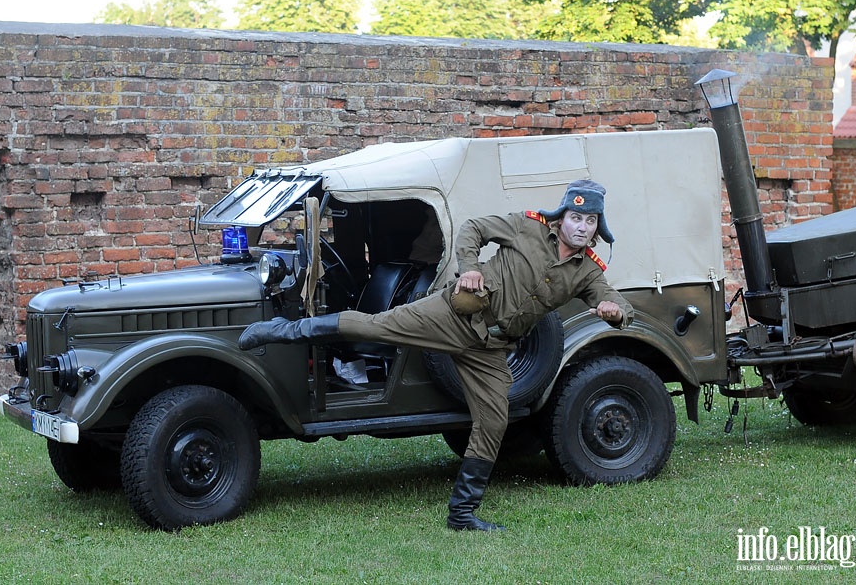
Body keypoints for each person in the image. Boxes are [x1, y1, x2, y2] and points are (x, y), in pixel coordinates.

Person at [238, 179, 634, 532]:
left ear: (597, 228)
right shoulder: (526, 227)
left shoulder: (587, 271)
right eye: (576, 218)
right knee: (376, 326)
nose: (582, 227)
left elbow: (611, 299)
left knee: (494, 422)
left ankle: (462, 513)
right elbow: (474, 229)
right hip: (454, 314)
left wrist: (616, 312)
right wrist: (470, 269)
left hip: (490, 348)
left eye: (590, 222)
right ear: (561, 217)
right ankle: (279, 331)